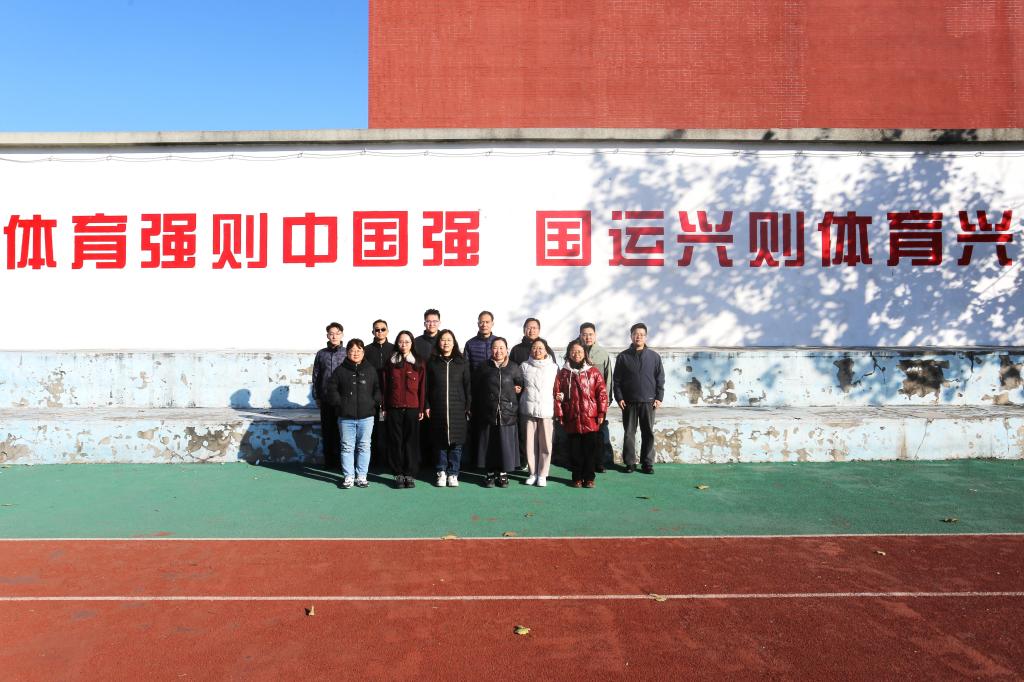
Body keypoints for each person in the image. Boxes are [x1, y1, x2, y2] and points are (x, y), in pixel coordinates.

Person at [324, 338, 381, 489]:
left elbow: (377, 388)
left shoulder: (370, 369)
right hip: (346, 417)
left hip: (366, 416)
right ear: (347, 352)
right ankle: (348, 476)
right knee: (347, 447)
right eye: (352, 350)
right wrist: (339, 403)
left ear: (363, 352)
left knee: (364, 446)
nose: (355, 353)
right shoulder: (340, 370)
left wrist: (373, 402)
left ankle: (362, 476)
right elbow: (332, 389)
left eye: (358, 350)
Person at [555, 340, 608, 488]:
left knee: (590, 451)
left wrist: (601, 412)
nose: (576, 354)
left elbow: (602, 394)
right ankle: (577, 478)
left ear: (585, 353)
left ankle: (589, 478)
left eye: (579, 351)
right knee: (575, 451)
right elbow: (557, 395)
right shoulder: (563, 373)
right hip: (572, 417)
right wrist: (560, 414)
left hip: (590, 417)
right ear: (568, 353)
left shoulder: (593, 372)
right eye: (573, 351)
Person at [612, 322, 665, 474]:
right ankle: (630, 463)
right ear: (631, 336)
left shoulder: (654, 357)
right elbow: (617, 380)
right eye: (636, 334)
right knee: (629, 433)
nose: (638, 337)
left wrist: (659, 397)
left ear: (645, 337)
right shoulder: (623, 357)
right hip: (628, 402)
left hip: (649, 401)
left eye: (642, 335)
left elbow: (660, 378)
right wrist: (619, 397)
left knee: (648, 432)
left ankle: (647, 463)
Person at [473, 337, 523, 488]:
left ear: (507, 350)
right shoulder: (483, 367)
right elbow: (476, 387)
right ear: (491, 350)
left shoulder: (514, 367)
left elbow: (520, 384)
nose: (498, 351)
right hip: (488, 412)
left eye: (502, 348)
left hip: (507, 412)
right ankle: (489, 473)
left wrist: (518, 389)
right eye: (495, 347)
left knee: (504, 444)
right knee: (489, 444)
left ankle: (503, 473)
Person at [425, 329, 471, 487]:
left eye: (449, 340)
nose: (446, 343)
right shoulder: (432, 362)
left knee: (456, 444)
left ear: (454, 342)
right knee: (440, 442)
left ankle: (453, 473)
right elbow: (427, 386)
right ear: (438, 342)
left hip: (458, 407)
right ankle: (441, 472)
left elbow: (467, 386)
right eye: (443, 340)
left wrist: (468, 405)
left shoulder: (462, 362)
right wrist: (427, 404)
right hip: (438, 406)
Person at [382, 330, 426, 488]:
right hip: (394, 408)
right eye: (401, 342)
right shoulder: (390, 362)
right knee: (396, 441)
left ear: (412, 343)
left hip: (413, 408)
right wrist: (384, 407)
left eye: (407, 342)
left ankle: (410, 474)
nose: (404, 345)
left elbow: (423, 387)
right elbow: (385, 387)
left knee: (411, 442)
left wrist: (421, 408)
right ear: (397, 343)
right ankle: (398, 474)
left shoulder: (419, 362)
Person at [518, 338, 558, 486]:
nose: (537, 350)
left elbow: (557, 387)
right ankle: (532, 472)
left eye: (540, 348)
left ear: (546, 350)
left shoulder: (553, 367)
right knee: (530, 444)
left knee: (546, 444)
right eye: (534, 348)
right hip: (529, 410)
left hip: (547, 410)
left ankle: (543, 474)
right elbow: (519, 384)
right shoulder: (524, 366)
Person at [577, 322, 613, 472]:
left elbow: (608, 378)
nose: (588, 337)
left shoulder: (602, 354)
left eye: (590, 334)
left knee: (598, 433)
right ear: (580, 335)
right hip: (579, 402)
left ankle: (599, 462)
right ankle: (581, 463)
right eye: (584, 334)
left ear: (595, 335)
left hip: (597, 401)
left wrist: (607, 399)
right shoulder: (575, 351)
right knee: (580, 433)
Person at [311, 322, 345, 471]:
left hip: (342, 398)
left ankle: (343, 462)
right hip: (325, 398)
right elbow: (316, 376)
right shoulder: (321, 354)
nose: (334, 336)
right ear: (327, 336)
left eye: (337, 333)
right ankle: (329, 462)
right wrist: (316, 396)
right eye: (331, 333)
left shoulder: (347, 352)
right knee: (327, 430)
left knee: (342, 430)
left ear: (342, 335)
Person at [363, 319, 394, 464]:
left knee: (391, 427)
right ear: (372, 332)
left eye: (383, 329)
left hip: (391, 394)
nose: (380, 332)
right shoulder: (366, 350)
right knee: (372, 428)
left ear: (387, 331)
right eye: (377, 329)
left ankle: (390, 460)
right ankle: (373, 460)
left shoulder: (394, 349)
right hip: (370, 394)